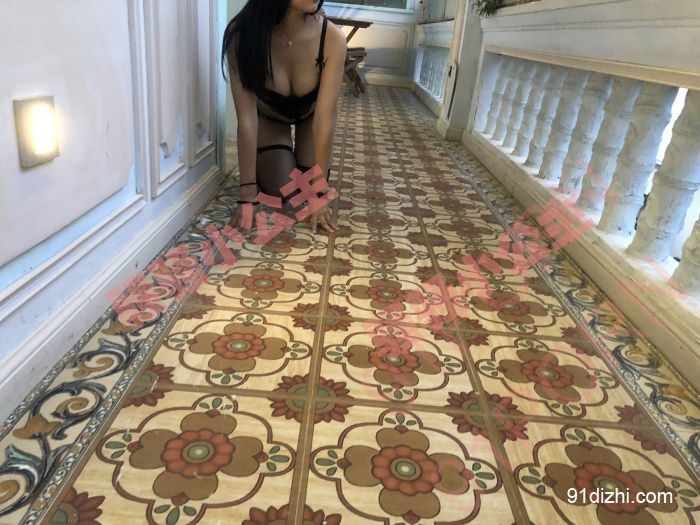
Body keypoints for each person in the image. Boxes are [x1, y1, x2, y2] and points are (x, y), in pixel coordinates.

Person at [222, 0, 346, 234]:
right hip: (269, 119)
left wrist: (320, 193)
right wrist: (247, 194)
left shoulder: (331, 38)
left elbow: (324, 121)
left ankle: (296, 161)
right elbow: (247, 121)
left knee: (307, 196)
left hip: (311, 118)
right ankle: (280, 155)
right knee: (284, 191)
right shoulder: (241, 36)